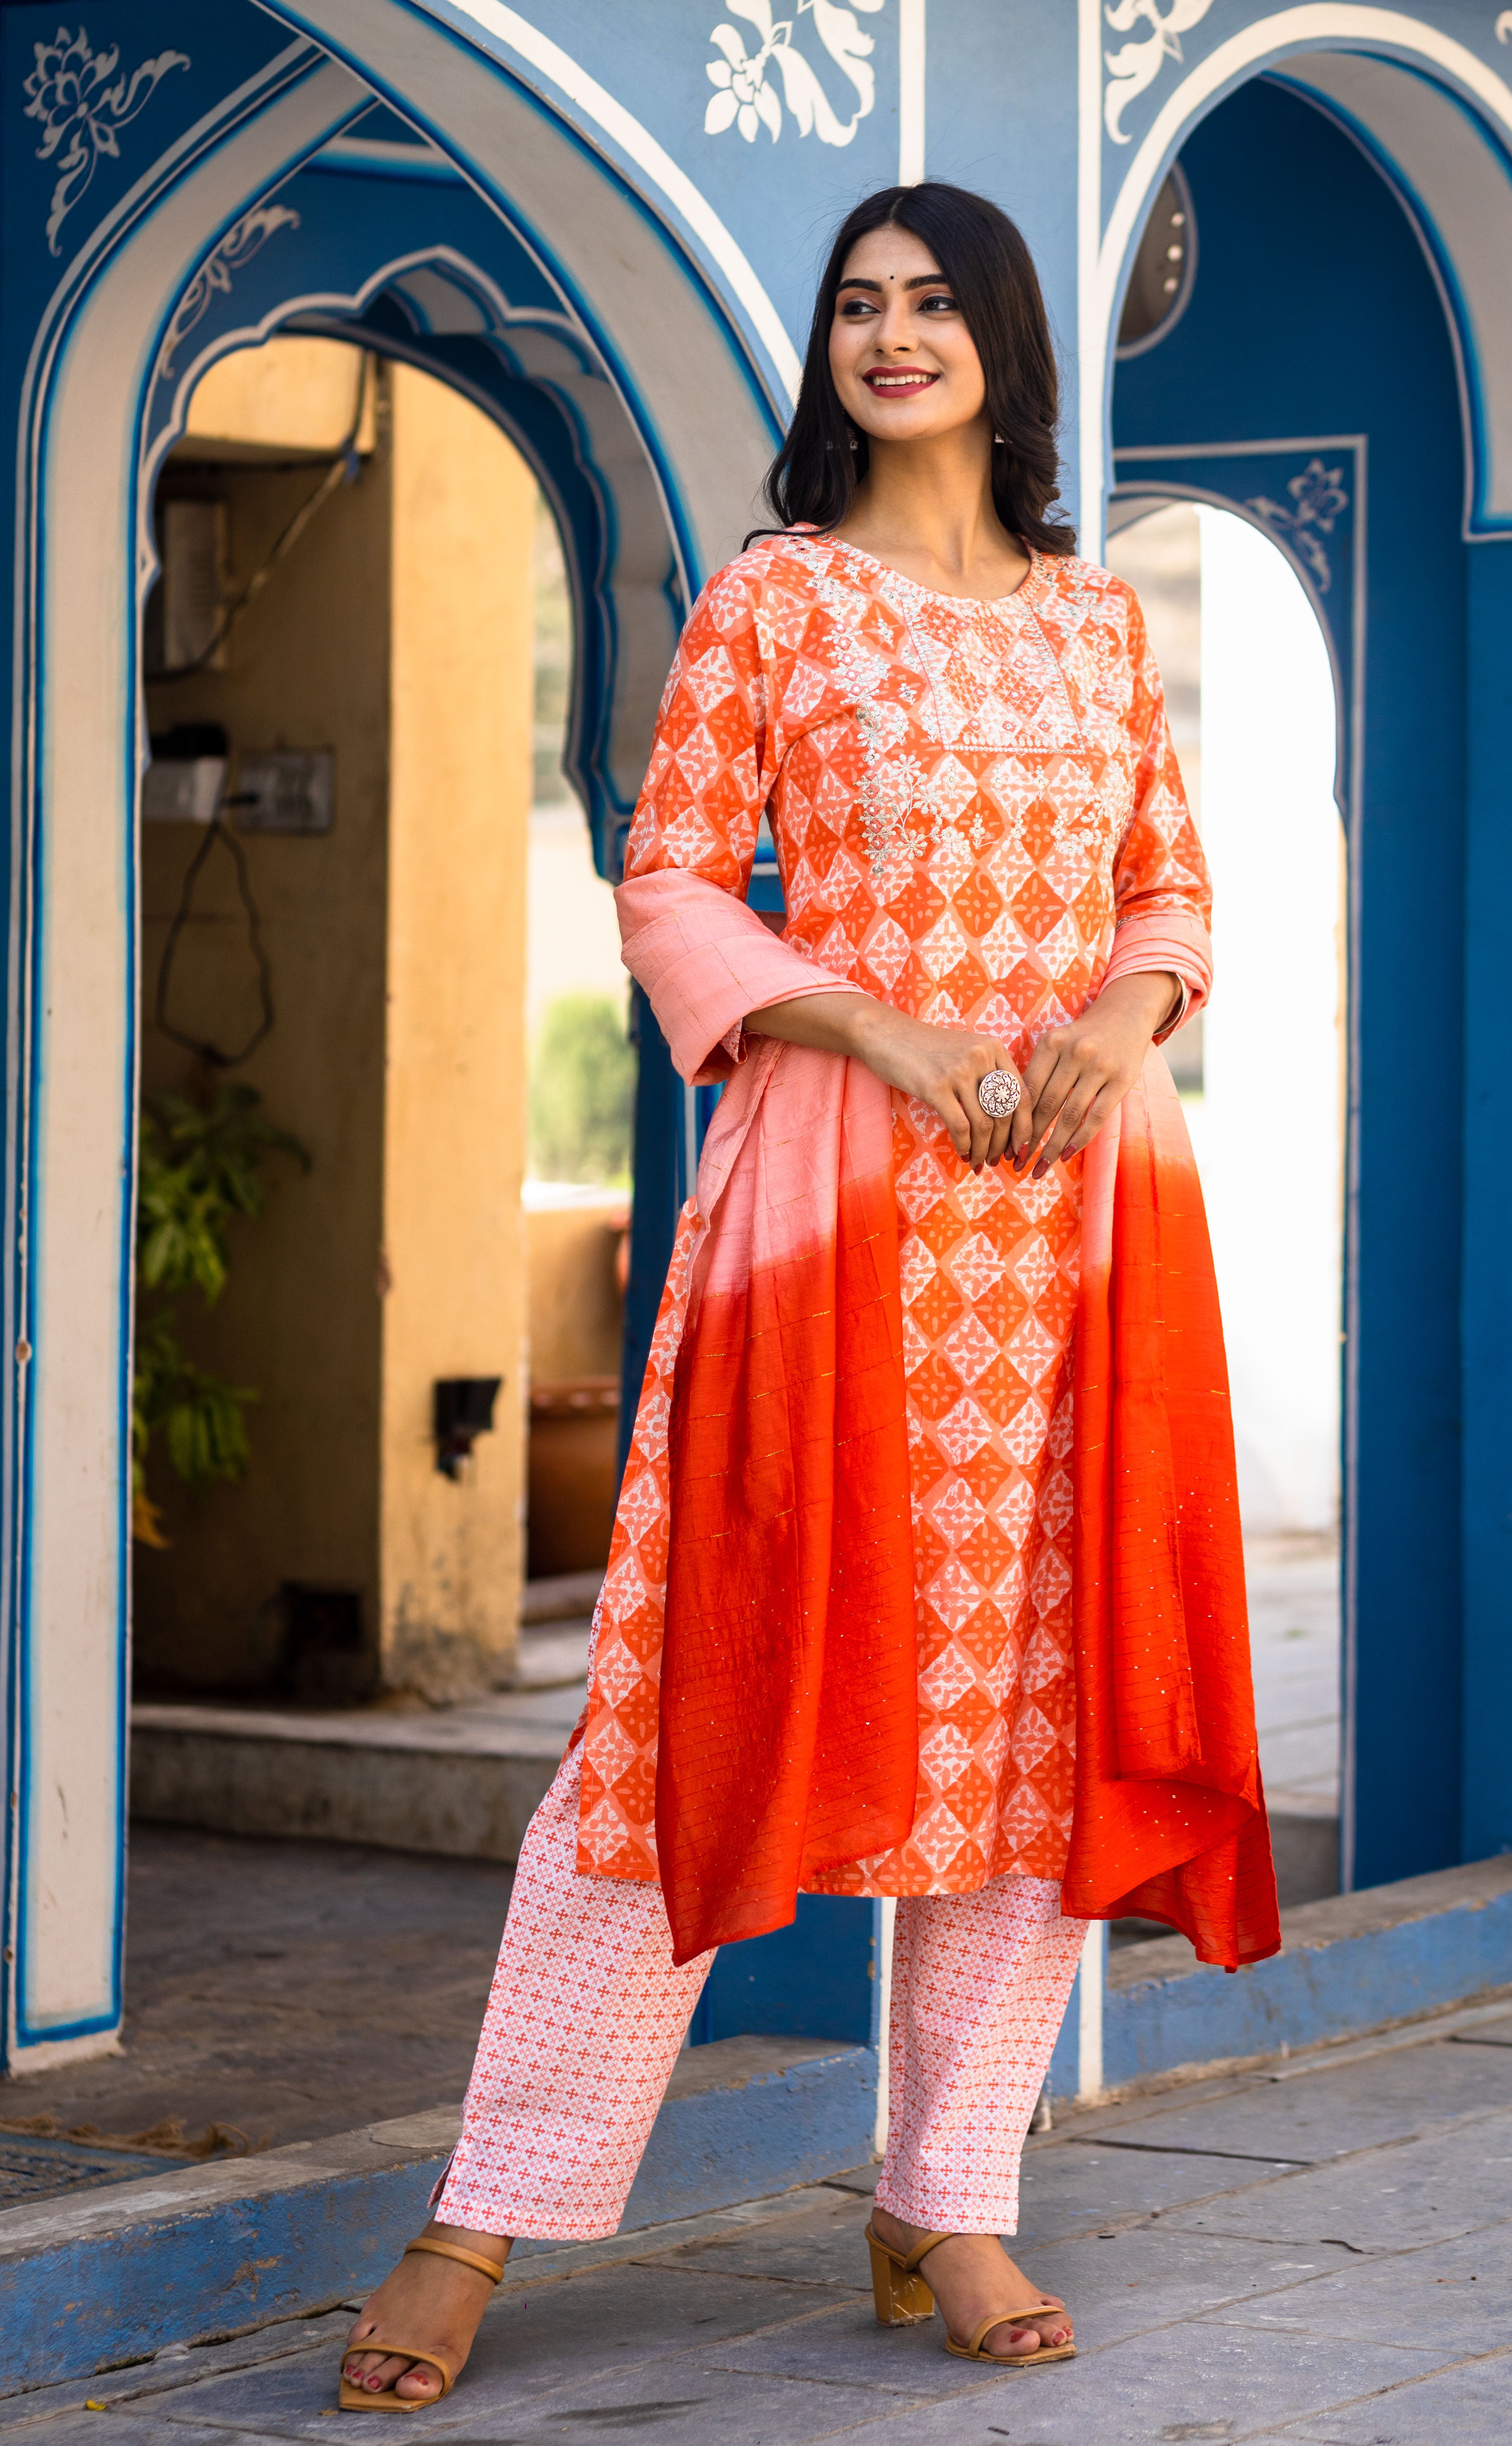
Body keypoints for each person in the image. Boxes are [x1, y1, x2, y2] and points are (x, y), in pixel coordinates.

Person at [338, 180, 1278, 2408]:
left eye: (932, 302)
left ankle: (945, 2191)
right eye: (857, 305)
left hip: (1073, 1221)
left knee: (1031, 1722)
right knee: (684, 1699)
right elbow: (667, 872)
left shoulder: (1083, 622)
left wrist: (1120, 1019)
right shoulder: (774, 601)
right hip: (834, 1212)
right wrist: (874, 1030)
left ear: (1002, 340)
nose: (889, 336)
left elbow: (1167, 880)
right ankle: (479, 2212)